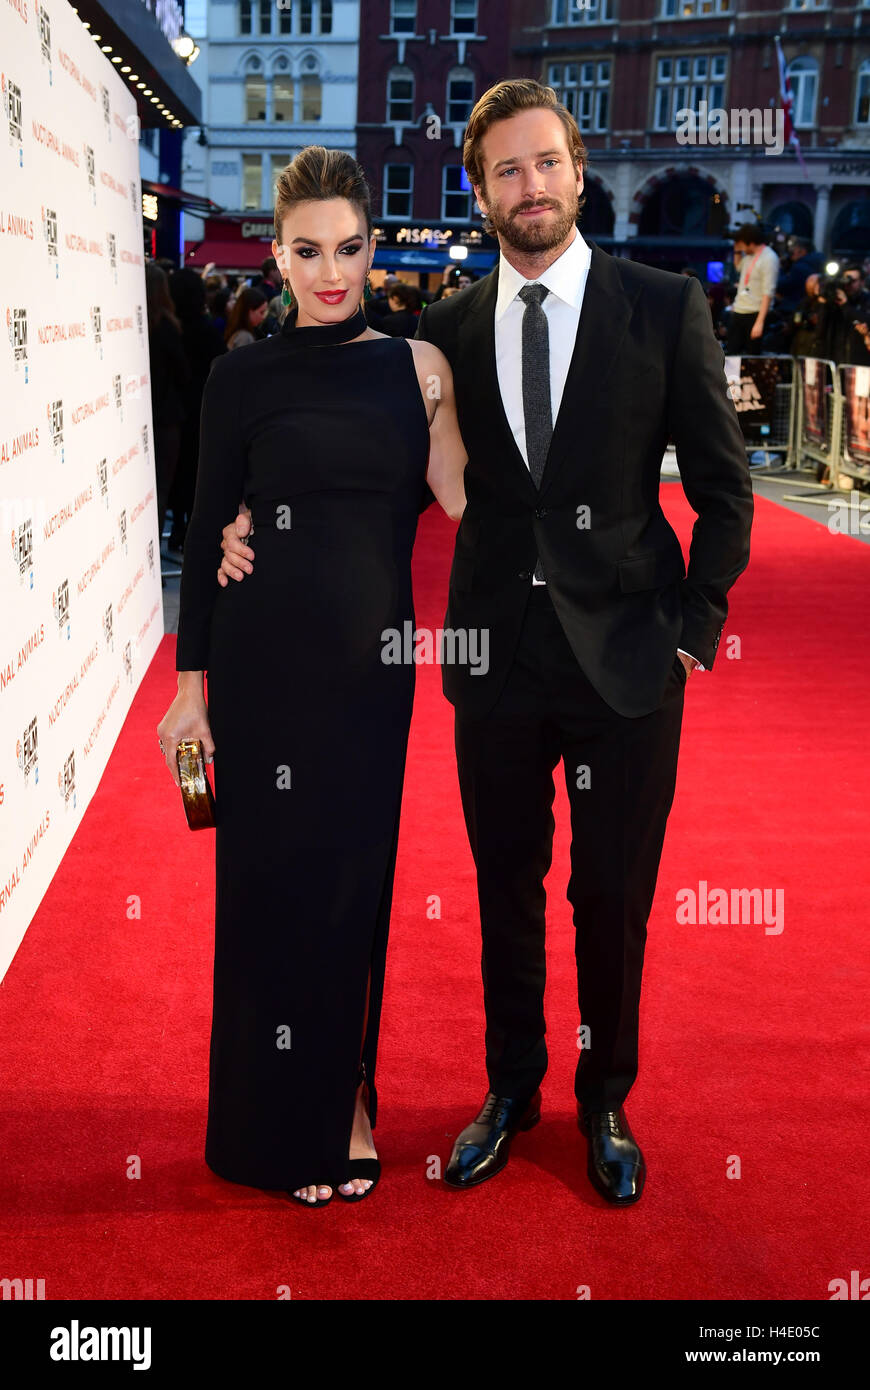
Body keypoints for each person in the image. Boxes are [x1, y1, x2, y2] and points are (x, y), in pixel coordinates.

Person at [219, 81, 753, 1207]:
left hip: (628, 662)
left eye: (548, 163)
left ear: (579, 170)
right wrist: (247, 523)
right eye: (507, 170)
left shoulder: (661, 306)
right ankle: (511, 1086)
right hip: (492, 658)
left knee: (611, 896)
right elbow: (388, 479)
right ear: (479, 189)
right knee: (503, 886)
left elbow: (724, 487)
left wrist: (693, 633)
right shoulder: (448, 327)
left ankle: (603, 1096)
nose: (532, 187)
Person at [156, 145, 467, 1208]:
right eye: (306, 251)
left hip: (371, 673)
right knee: (266, 889)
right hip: (261, 669)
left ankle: (346, 1101)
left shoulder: (418, 369)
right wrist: (190, 685)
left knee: (351, 889)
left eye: (348, 248)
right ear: (277, 255)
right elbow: (206, 534)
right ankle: (265, 1117)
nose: (329, 272)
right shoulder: (242, 373)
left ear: (374, 247)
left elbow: (467, 497)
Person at [165, 269, 227, 554]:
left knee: (178, 473)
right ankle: (190, 529)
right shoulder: (206, 329)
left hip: (175, 412)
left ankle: (178, 526)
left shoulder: (167, 327)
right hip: (203, 411)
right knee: (195, 471)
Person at [145, 262, 191, 547]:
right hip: (165, 422)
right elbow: (183, 375)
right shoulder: (168, 328)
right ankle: (153, 561)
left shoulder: (129, 326)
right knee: (159, 492)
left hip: (139, 416)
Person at [726, 224, 780, 354]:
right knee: (732, 352)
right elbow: (738, 267)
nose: (741, 247)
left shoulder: (769, 258)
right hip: (739, 310)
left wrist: (759, 322)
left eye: (741, 243)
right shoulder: (749, 256)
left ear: (749, 242)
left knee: (752, 355)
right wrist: (737, 250)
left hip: (755, 312)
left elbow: (768, 292)